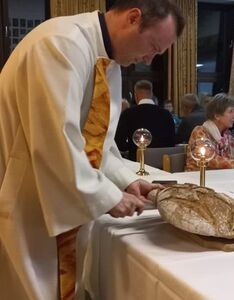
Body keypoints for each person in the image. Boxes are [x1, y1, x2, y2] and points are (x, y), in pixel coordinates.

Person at [0, 1, 185, 300]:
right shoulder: (61, 44)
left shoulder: (105, 60)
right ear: (133, 17)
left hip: (52, 194)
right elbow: (55, 140)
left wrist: (126, 180)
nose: (149, 61)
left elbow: (97, 140)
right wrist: (108, 196)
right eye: (152, 46)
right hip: (27, 196)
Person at [115, 80, 176, 161]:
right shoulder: (166, 114)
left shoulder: (128, 114)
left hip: (137, 162)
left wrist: (131, 148)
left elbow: (119, 143)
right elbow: (172, 140)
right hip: (164, 163)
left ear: (135, 96)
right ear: (151, 94)